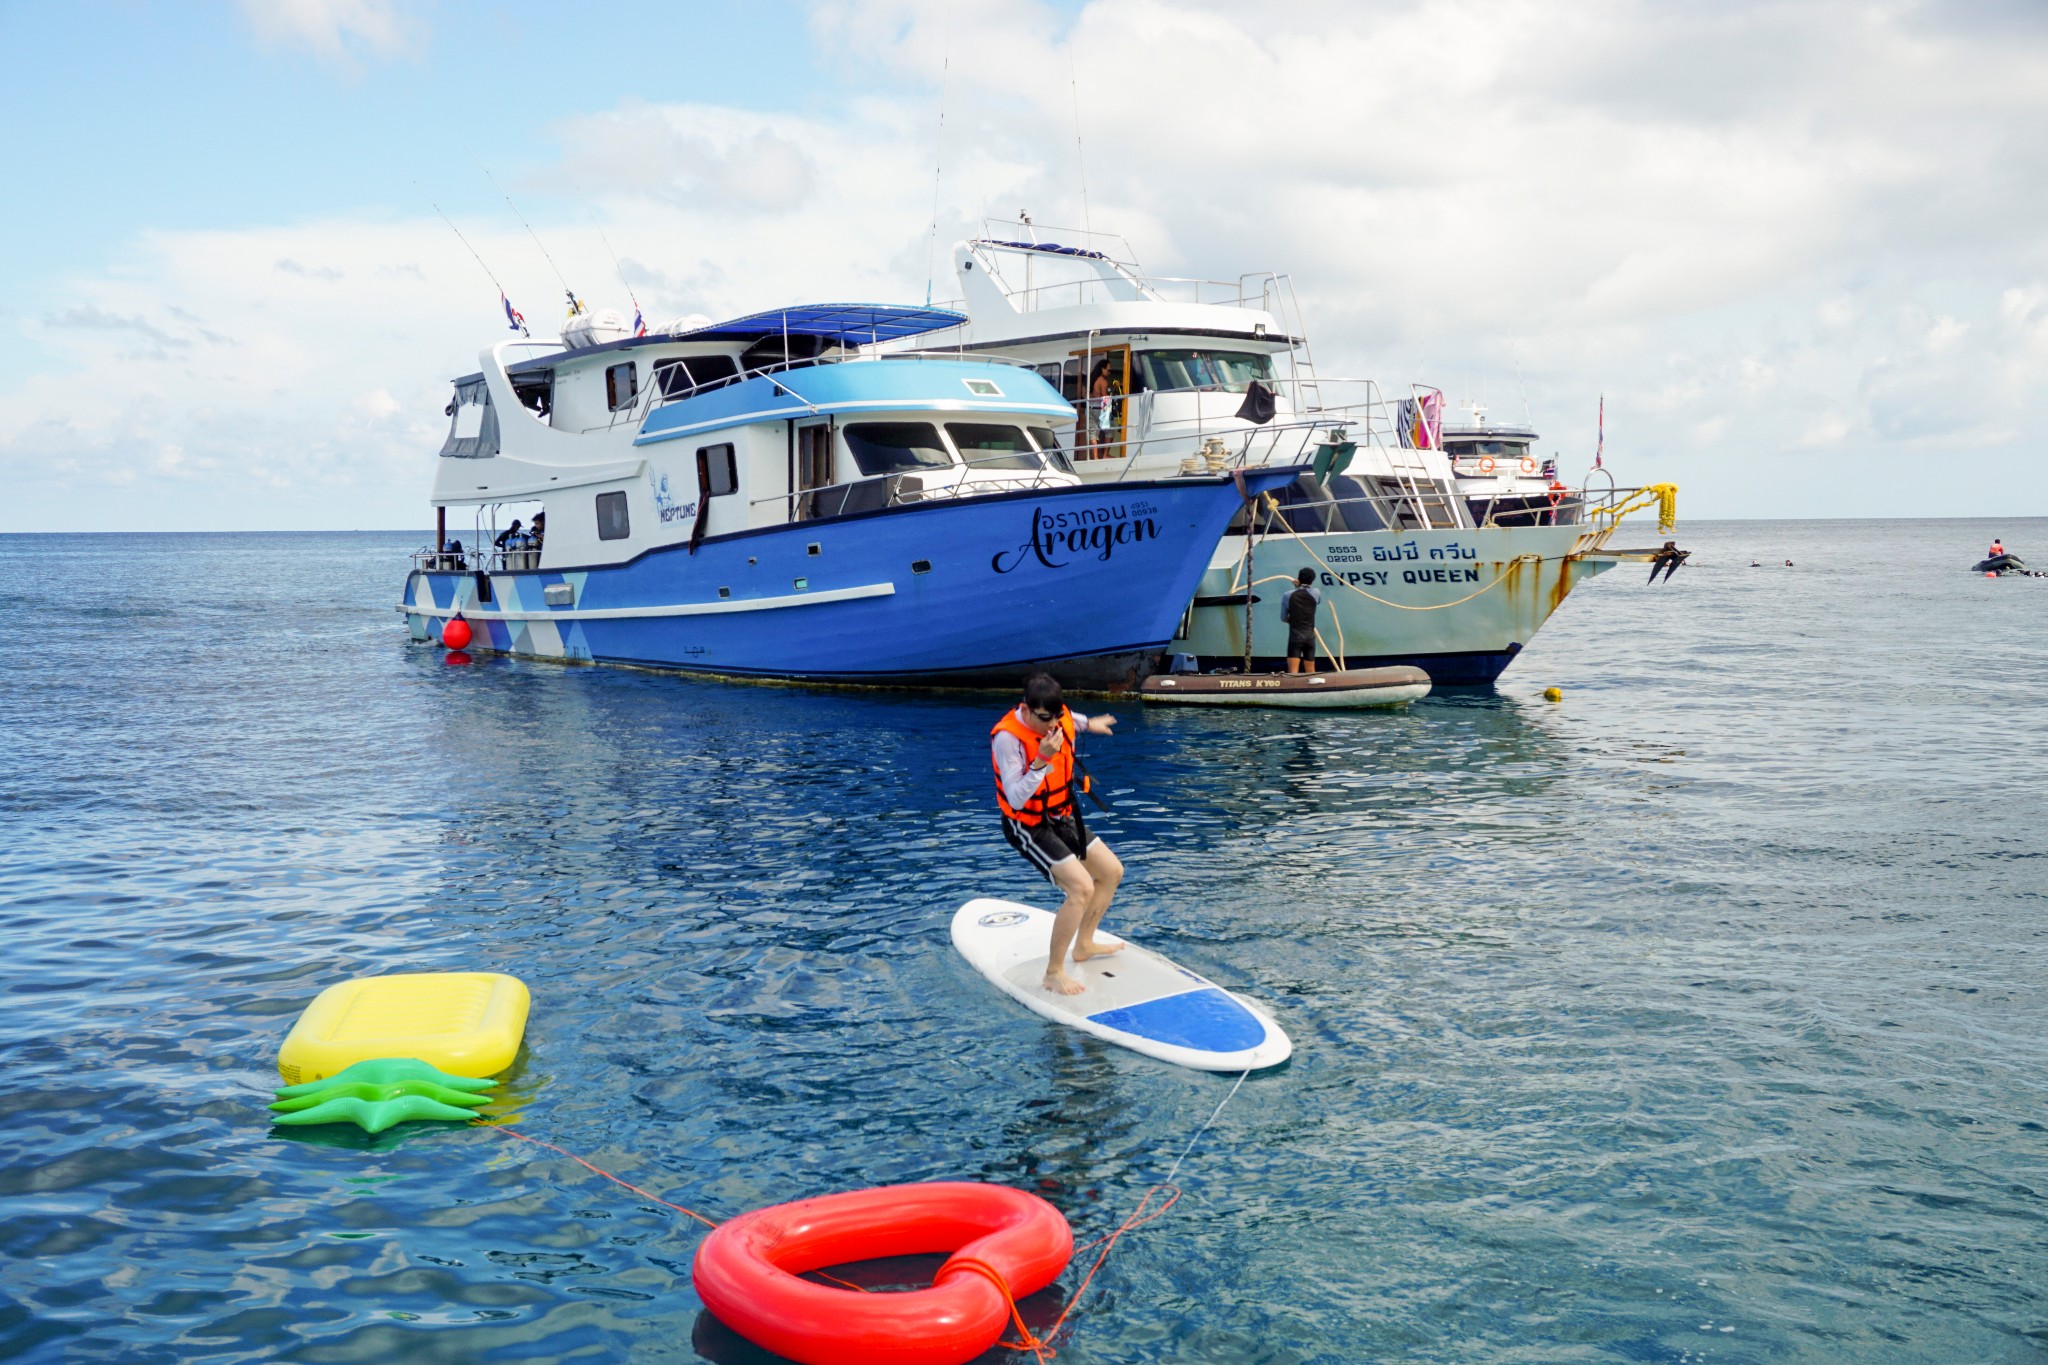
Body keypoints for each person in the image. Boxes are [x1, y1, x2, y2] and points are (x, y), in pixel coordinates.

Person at [992, 673, 1123, 996]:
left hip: (1059, 814)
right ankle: (1053, 972)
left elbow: (1074, 720)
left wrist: (1091, 723)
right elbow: (1016, 797)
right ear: (1026, 708)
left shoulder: (1059, 717)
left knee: (1110, 872)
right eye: (1043, 719)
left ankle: (1085, 944)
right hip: (1027, 825)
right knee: (1080, 889)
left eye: (1055, 718)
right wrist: (1041, 760)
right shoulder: (1008, 738)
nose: (1050, 726)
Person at [1282, 567, 1322, 673]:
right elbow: (1315, 600)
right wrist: (1299, 586)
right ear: (1312, 580)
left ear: (1298, 578)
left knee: (1293, 673)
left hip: (1295, 637)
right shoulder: (1316, 593)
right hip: (1310, 637)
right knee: (1311, 672)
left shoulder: (1287, 595)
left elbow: (1284, 618)